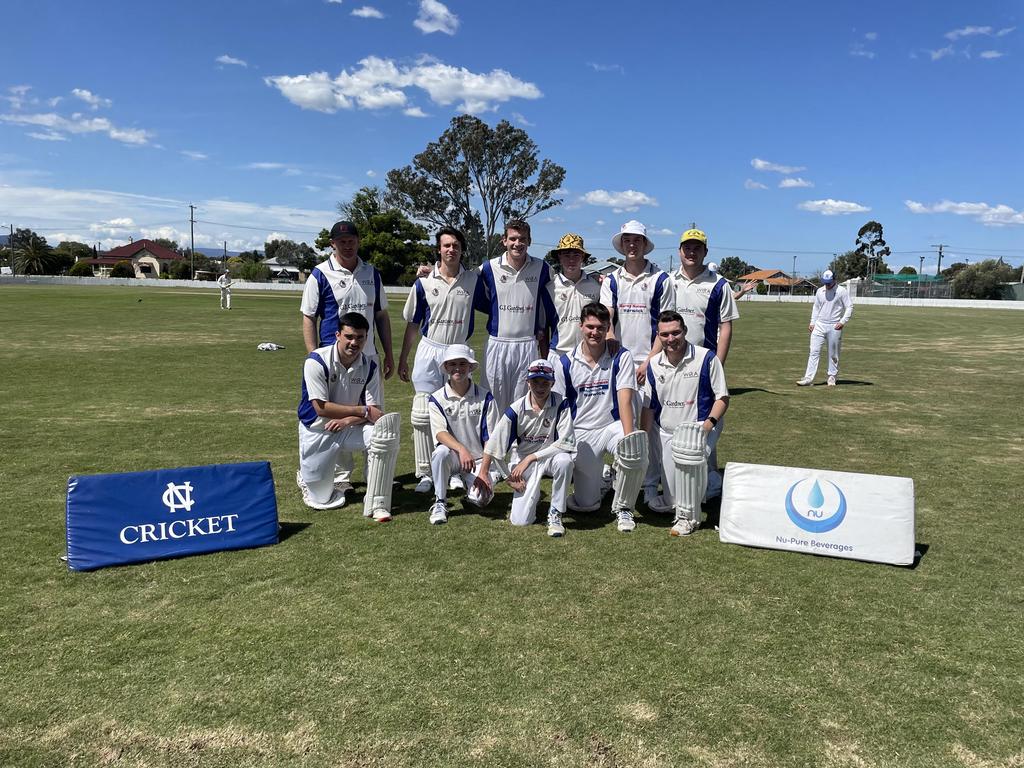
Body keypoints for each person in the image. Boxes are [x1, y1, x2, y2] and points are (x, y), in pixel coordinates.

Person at [301, 220, 394, 490]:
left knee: (375, 414)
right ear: (332, 244)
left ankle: (373, 475)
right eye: (341, 241)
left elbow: (381, 315)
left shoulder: (371, 273)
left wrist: (388, 353)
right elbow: (308, 317)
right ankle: (342, 478)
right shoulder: (319, 274)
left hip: (369, 357)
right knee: (337, 417)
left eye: (351, 240)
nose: (347, 245)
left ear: (358, 241)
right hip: (334, 360)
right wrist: (314, 358)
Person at [552, 302, 647, 533]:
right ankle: (605, 480)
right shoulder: (564, 362)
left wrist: (628, 438)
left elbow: (625, 399)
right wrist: (564, 445)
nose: (595, 332)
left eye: (601, 327)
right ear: (580, 327)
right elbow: (560, 409)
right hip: (581, 432)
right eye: (590, 327)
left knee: (634, 449)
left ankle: (624, 507)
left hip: (611, 425)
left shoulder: (620, 356)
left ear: (608, 329)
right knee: (587, 505)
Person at [296, 312, 400, 521]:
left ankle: (376, 498)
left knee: (382, 435)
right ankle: (307, 478)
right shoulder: (316, 360)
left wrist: (348, 419)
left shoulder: (370, 365)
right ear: (338, 335)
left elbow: (375, 411)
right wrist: (361, 411)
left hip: (350, 428)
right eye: (349, 337)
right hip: (318, 430)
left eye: (360, 338)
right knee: (322, 500)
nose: (354, 343)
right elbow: (321, 408)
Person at [399, 227, 480, 494]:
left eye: (456, 245)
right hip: (429, 350)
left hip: (457, 351)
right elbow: (413, 324)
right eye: (446, 245)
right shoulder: (423, 282)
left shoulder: (473, 279)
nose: (451, 250)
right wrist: (403, 359)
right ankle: (425, 472)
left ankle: (454, 470)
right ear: (439, 249)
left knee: (455, 412)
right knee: (422, 414)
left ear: (461, 249)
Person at [643, 311, 729, 536]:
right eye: (665, 335)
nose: (671, 339)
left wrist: (706, 427)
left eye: (676, 333)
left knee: (689, 462)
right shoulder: (653, 364)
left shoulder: (706, 357)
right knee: (673, 498)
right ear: (658, 336)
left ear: (685, 331)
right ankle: (713, 482)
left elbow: (722, 398)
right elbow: (649, 407)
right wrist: (643, 438)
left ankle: (689, 518)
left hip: (701, 425)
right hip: (668, 430)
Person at [479, 359, 576, 537]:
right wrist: (508, 477)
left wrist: (532, 457)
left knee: (565, 461)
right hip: (524, 462)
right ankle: (534, 496)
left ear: (553, 383)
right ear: (527, 382)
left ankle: (555, 512)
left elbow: (567, 442)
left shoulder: (561, 403)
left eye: (545, 382)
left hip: (549, 458)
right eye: (535, 382)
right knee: (520, 521)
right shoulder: (516, 409)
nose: (540, 387)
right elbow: (494, 447)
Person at [474, 219, 557, 416]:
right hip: (497, 345)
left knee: (523, 404)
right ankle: (492, 445)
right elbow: (461, 277)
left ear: (529, 241)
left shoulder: (543, 268)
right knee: (493, 404)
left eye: (522, 239)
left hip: (527, 345)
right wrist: (431, 271)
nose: (517, 243)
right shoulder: (488, 267)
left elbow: (561, 288)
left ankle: (518, 447)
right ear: (504, 240)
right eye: (512, 238)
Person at [425, 344, 501, 525]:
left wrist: (483, 471)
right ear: (446, 368)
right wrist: (461, 449)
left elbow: (491, 438)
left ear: (470, 367)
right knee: (440, 453)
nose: (457, 368)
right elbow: (440, 433)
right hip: (454, 456)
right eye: (452, 364)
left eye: (462, 363)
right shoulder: (436, 398)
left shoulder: (485, 397)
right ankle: (440, 502)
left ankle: (482, 481)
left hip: (477, 461)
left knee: (480, 500)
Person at [599, 220, 674, 385]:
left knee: (649, 411)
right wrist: (610, 333)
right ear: (622, 244)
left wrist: (650, 360)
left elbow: (666, 324)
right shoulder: (611, 280)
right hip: (618, 358)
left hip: (653, 359)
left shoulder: (661, 279)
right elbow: (607, 314)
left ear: (644, 243)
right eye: (627, 240)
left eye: (637, 240)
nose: (631, 245)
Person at [545, 234, 602, 360]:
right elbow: (543, 328)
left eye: (576, 255)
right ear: (559, 257)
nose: (571, 260)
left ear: (582, 257)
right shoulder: (550, 287)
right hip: (558, 353)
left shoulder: (596, 287)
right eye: (566, 255)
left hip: (588, 352)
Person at [798, 269, 853, 387]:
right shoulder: (819, 291)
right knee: (814, 351)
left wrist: (843, 321)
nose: (827, 285)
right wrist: (812, 322)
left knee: (833, 354)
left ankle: (832, 376)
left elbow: (849, 307)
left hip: (834, 326)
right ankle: (808, 378)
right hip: (819, 325)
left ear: (834, 280)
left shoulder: (841, 291)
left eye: (829, 282)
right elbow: (816, 307)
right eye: (825, 282)